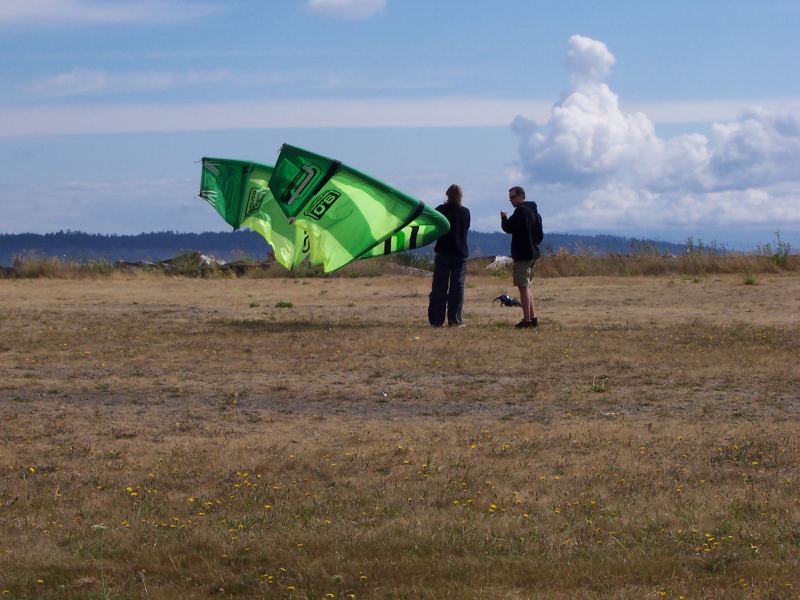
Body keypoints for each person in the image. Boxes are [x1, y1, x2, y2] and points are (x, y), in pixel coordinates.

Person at [500, 186, 543, 329]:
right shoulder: (535, 213)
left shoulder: (521, 211)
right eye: (510, 198)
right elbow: (540, 235)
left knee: (523, 288)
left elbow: (508, 228)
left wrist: (504, 218)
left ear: (521, 196)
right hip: (533, 254)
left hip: (523, 255)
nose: (511, 201)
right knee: (527, 286)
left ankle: (527, 320)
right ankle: (533, 317)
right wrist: (532, 243)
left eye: (513, 197)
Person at [428, 184, 470, 327]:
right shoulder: (465, 212)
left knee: (439, 287)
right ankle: (455, 320)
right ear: (460, 196)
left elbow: (431, 224)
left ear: (447, 195)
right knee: (457, 288)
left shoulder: (440, 210)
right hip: (460, 253)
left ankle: (436, 320)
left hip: (443, 252)